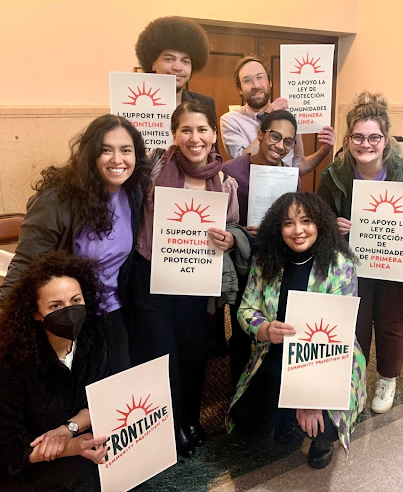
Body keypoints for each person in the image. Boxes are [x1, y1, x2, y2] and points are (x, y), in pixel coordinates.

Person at [317, 92, 403, 413]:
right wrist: (331, 227)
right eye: (358, 137)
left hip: (398, 263)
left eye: (374, 137)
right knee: (356, 322)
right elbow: (318, 216)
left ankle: (387, 379)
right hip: (356, 264)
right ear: (349, 137)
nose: (366, 144)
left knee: (391, 322)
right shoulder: (336, 173)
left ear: (386, 137)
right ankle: (355, 378)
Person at [130, 100, 239, 458]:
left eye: (202, 129)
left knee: (194, 354)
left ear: (214, 134)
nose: (195, 138)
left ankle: (189, 419)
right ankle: (168, 424)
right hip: (152, 276)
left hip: (195, 281)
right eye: (186, 130)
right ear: (174, 134)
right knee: (163, 355)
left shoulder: (223, 182)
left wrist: (229, 238)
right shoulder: (153, 170)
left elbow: (234, 227)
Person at [0, 114, 150, 374]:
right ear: (91, 155)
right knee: (70, 396)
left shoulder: (133, 191)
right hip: (68, 313)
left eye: (126, 150)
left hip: (113, 310)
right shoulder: (57, 200)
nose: (118, 159)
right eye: (106, 150)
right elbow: (26, 265)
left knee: (119, 389)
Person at [227, 192, 366, 470]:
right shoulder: (265, 261)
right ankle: (287, 415)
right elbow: (245, 310)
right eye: (289, 223)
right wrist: (263, 329)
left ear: (321, 225)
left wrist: (310, 398)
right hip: (277, 352)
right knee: (247, 420)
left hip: (328, 359)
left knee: (325, 421)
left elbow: (338, 333)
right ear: (278, 228)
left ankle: (322, 439)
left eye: (306, 221)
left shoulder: (340, 266)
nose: (298, 230)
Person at [0, 252, 109, 492]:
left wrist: (68, 429)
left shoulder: (93, 339)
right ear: (36, 313)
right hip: (26, 460)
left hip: (76, 438)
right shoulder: (11, 362)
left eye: (76, 300)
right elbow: (8, 446)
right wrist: (70, 446)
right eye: (56, 306)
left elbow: (99, 400)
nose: (69, 312)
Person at [222, 109, 301, 381]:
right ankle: (238, 390)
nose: (280, 145)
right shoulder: (231, 171)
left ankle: (267, 381)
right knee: (241, 324)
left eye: (288, 141)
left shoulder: (291, 177)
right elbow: (219, 219)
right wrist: (240, 231)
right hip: (241, 260)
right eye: (274, 136)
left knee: (270, 323)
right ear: (260, 135)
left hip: (274, 262)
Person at [220, 56, 335, 175]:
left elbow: (297, 167)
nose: (255, 85)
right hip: (248, 191)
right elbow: (239, 165)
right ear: (240, 89)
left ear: (269, 82)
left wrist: (324, 150)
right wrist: (269, 116)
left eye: (260, 77)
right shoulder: (230, 120)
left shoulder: (289, 117)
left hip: (286, 190)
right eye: (247, 80)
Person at [135, 16, 216, 114]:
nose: (177, 67)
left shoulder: (205, 104)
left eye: (185, 61)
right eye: (169, 59)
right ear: (153, 63)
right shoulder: (135, 104)